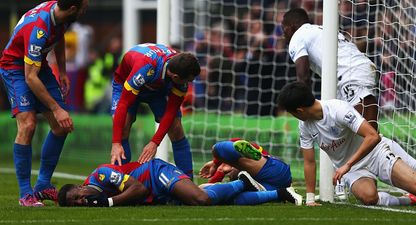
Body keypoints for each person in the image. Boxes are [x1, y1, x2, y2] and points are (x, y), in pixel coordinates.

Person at [0, 0, 89, 207]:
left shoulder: (61, 14)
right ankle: (25, 194)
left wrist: (63, 71)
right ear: (73, 9)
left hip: (38, 64)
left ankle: (42, 185)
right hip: (15, 67)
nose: (86, 10)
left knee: (60, 127)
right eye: (84, 7)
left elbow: (59, 36)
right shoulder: (39, 29)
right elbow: (30, 77)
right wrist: (57, 109)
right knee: (28, 124)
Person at [277, 82, 416, 206]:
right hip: (353, 170)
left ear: (299, 111)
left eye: (291, 113)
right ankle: (408, 200)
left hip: (374, 153)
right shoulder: (304, 126)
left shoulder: (338, 109)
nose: (292, 116)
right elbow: (309, 162)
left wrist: (347, 165)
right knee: (368, 197)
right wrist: (310, 198)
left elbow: (373, 137)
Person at [110, 43, 200, 180]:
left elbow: (171, 112)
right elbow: (123, 103)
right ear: (176, 77)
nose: (189, 83)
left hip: (156, 91)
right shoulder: (145, 67)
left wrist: (154, 143)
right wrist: (116, 143)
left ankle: (188, 182)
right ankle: (120, 181)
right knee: (122, 128)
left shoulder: (179, 69)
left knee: (176, 129)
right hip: (125, 85)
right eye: (189, 80)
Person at [281, 8, 379, 130]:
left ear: (292, 26)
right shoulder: (321, 30)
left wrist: (306, 107)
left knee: (367, 134)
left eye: (283, 28)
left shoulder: (297, 37)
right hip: (354, 72)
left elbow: (303, 77)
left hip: (351, 74)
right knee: (355, 134)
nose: (283, 33)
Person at [57, 158, 299, 207]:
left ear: (80, 187)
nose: (81, 201)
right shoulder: (91, 199)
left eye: (77, 196)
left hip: (156, 174)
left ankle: (242, 183)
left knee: (201, 199)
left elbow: (138, 189)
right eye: (76, 204)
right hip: (158, 197)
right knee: (221, 203)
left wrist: (108, 202)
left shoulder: (101, 174)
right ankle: (279, 194)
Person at [199, 138, 302, 206]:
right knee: (232, 199)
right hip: (272, 186)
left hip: (270, 169)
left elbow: (237, 142)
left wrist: (215, 163)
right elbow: (205, 192)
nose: (229, 172)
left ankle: (243, 182)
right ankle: (281, 194)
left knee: (217, 149)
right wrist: (220, 171)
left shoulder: (248, 162)